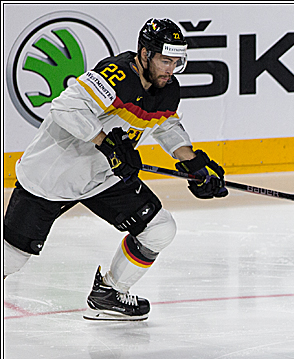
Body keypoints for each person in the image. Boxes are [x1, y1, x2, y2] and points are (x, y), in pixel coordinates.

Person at [3, 18, 227, 320]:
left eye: (177, 61)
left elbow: (165, 124)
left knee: (159, 229)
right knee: (11, 259)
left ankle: (109, 292)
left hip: (104, 178)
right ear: (145, 54)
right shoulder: (115, 75)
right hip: (52, 176)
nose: (170, 69)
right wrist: (106, 144)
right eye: (165, 60)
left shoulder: (167, 89)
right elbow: (65, 108)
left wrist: (193, 162)